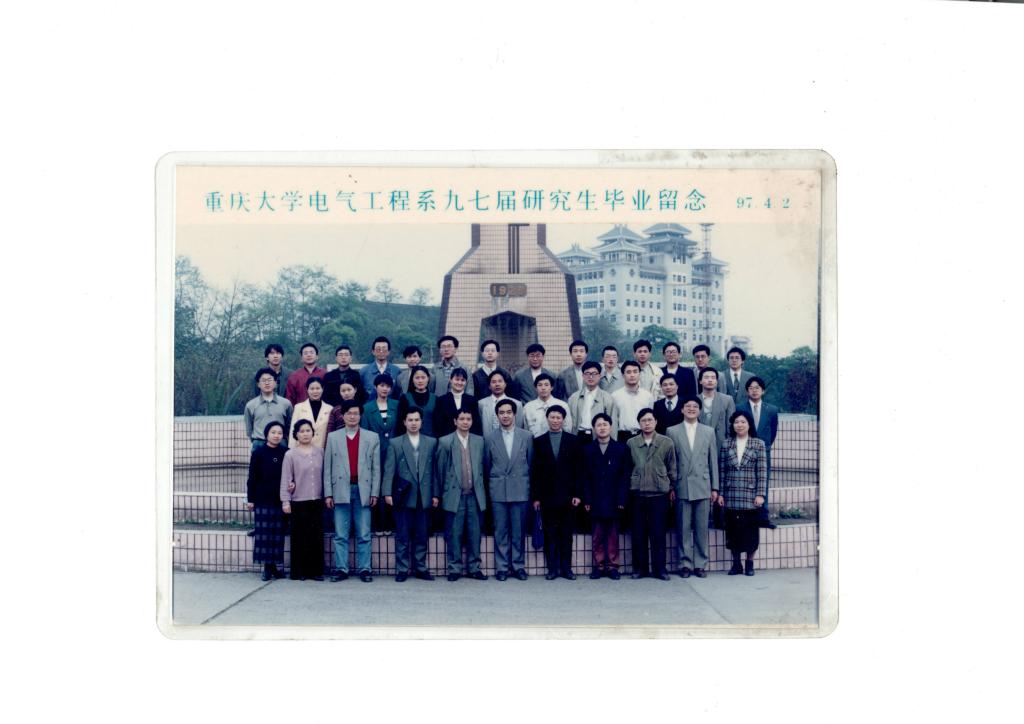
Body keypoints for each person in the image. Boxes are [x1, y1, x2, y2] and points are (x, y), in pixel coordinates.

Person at [323, 400, 380, 583]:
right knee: (341, 534)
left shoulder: (372, 437)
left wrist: (375, 492)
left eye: (356, 413)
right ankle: (341, 569)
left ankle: (365, 569)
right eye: (349, 413)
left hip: (363, 489)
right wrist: (328, 493)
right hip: (341, 489)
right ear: (343, 416)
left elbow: (376, 468)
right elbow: (327, 467)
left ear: (360, 415)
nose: (352, 416)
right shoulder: (333, 437)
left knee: (364, 533)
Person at [665, 396, 719, 578]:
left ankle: (701, 564)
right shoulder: (672, 431)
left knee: (702, 527)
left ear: (700, 410)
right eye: (687, 406)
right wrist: (671, 486)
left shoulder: (708, 431)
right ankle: (685, 564)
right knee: (683, 528)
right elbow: (670, 462)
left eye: (695, 406)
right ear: (681, 410)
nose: (691, 408)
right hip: (682, 484)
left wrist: (715, 488)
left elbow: (713, 461)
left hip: (703, 484)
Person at [382, 407, 438, 582]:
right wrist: (387, 492)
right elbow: (389, 469)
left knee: (422, 533)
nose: (414, 423)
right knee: (403, 534)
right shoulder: (395, 443)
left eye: (417, 420)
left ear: (421, 422)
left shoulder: (431, 442)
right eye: (410, 420)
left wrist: (435, 494)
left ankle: (420, 567)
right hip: (404, 494)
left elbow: (435, 471)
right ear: (404, 422)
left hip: (424, 493)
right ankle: (402, 569)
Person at [482, 399, 533, 581]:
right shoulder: (489, 438)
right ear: (497, 415)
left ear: (515, 414)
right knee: (500, 531)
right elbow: (487, 464)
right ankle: (502, 567)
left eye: (508, 412)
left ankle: (518, 566)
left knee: (518, 531)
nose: (505, 416)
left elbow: (530, 462)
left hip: (520, 488)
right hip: (498, 489)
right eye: (501, 413)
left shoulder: (526, 436)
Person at [530, 405, 582, 580]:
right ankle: (552, 569)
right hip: (547, 496)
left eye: (558, 417)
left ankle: (567, 569)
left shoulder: (573, 441)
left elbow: (578, 470)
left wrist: (577, 494)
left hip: (568, 496)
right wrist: (536, 497)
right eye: (552, 417)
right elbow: (535, 472)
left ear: (563, 420)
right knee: (550, 533)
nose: (555, 420)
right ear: (547, 419)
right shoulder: (539, 441)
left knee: (566, 534)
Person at [435, 410, 488, 581]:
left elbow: (484, 466)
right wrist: (444, 493)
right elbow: (440, 471)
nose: (465, 422)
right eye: (462, 419)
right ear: (455, 421)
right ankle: (454, 568)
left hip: (474, 495)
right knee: (454, 533)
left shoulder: (479, 441)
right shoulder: (445, 441)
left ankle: (474, 568)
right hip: (454, 495)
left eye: (468, 419)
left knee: (475, 533)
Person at [626, 408, 677, 580]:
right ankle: (640, 569)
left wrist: (672, 487)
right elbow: (627, 467)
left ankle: (660, 569)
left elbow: (672, 468)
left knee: (658, 533)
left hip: (659, 494)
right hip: (638, 494)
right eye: (643, 420)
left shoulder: (666, 442)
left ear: (656, 422)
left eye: (650, 420)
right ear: (639, 423)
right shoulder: (631, 443)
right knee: (638, 533)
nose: (647, 423)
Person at [716, 411, 767, 576]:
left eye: (743, 422)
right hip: (731, 494)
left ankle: (749, 564)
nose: (739, 425)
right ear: (732, 425)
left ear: (749, 424)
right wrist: (721, 493)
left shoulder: (758, 444)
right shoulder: (726, 444)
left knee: (751, 531)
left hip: (750, 495)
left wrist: (760, 494)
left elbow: (762, 471)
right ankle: (736, 564)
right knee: (733, 530)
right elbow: (722, 471)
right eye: (736, 422)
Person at [580, 413, 631, 579]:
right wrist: (587, 499)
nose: (602, 428)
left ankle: (613, 566)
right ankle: (599, 566)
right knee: (597, 534)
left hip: (614, 498)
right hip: (595, 498)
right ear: (594, 428)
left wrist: (622, 499)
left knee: (613, 534)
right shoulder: (587, 449)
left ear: (611, 427)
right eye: (598, 425)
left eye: (605, 424)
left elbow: (625, 476)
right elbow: (585, 477)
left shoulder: (621, 449)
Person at [280, 419, 325, 581]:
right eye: (302, 431)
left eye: (308, 430)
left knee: (316, 537)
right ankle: (299, 572)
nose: (305, 434)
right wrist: (285, 501)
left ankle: (316, 572)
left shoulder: (320, 452)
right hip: (298, 501)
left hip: (317, 500)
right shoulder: (290, 454)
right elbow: (286, 478)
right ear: (296, 434)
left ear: (313, 433)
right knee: (299, 537)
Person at [736, 376, 780, 529]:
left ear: (763, 391)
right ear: (747, 391)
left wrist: (764, 446)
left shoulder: (772, 410)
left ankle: (763, 517)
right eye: (751, 388)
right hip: (744, 448)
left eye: (757, 388)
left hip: (764, 450)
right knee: (745, 480)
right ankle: (747, 515)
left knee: (763, 481)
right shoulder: (740, 408)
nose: (754, 391)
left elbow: (773, 431)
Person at [246, 421, 288, 581]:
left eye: (279, 433)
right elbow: (252, 477)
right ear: (266, 435)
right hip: (262, 499)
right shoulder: (259, 453)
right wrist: (251, 499)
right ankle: (266, 568)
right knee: (264, 535)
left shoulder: (286, 452)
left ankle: (274, 567)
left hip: (280, 499)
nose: (276, 436)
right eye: (273, 432)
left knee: (277, 534)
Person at [362, 374, 399, 535]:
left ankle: (391, 523)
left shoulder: (397, 405)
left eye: (388, 386)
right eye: (382, 385)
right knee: (375, 485)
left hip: (394, 452)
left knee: (392, 485)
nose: (385, 389)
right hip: (375, 452)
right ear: (375, 387)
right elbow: (364, 432)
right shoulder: (367, 408)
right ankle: (377, 524)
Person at [566, 360, 617, 443]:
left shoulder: (607, 398)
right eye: (587, 373)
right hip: (578, 436)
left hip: (599, 437)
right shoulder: (574, 398)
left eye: (594, 374)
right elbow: (569, 423)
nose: (590, 377)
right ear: (583, 376)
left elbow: (612, 424)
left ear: (599, 376)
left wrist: (612, 443)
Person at [244, 368, 293, 453]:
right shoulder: (250, 405)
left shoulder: (286, 403)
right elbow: (249, 428)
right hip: (259, 443)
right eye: (263, 380)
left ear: (275, 383)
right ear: (258, 384)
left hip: (281, 443)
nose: (267, 383)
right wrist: (255, 440)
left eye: (270, 380)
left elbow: (289, 425)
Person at [610, 361, 654, 443]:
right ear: (623, 375)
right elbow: (613, 422)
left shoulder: (648, 396)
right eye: (628, 372)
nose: (632, 375)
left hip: (643, 435)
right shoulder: (615, 396)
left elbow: (651, 420)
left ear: (639, 374)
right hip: (623, 436)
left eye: (635, 371)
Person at [434, 367, 481, 438]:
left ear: (466, 382)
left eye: (462, 380)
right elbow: (438, 424)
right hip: (447, 439)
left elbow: (476, 424)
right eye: (457, 379)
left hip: (467, 438)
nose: (459, 382)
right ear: (450, 380)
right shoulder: (441, 400)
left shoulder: (472, 401)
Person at [523, 373, 573, 437]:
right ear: (536, 388)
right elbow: (525, 431)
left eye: (546, 385)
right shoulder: (528, 407)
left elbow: (568, 429)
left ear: (551, 387)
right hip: (534, 442)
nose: (543, 388)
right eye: (540, 385)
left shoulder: (563, 405)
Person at [478, 369, 525, 435]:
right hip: (488, 439)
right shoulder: (481, 404)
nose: (497, 384)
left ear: (505, 384)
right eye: (494, 382)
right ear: (489, 386)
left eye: (500, 381)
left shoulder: (517, 404)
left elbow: (519, 426)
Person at [698, 367, 736, 450]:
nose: (710, 380)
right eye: (706, 377)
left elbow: (730, 425)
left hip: (721, 444)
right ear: (700, 381)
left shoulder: (727, 400)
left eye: (713, 378)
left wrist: (729, 445)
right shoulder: (694, 400)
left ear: (717, 381)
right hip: (699, 443)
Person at [289, 376, 332, 448]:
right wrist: (292, 449)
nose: (315, 391)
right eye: (312, 389)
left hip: (323, 449)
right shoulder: (298, 407)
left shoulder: (329, 409)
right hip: (302, 449)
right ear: (307, 390)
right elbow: (293, 430)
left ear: (323, 389)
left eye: (318, 388)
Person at [396, 365, 438, 438]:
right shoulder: (405, 398)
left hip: (431, 440)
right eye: (417, 378)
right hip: (409, 439)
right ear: (412, 379)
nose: (420, 381)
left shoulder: (436, 399)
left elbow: (438, 424)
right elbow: (400, 423)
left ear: (428, 378)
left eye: (423, 377)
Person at [359, 336, 402, 400]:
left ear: (388, 352)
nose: (381, 352)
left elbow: (398, 394)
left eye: (384, 349)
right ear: (373, 351)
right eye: (378, 349)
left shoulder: (396, 371)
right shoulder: (364, 371)